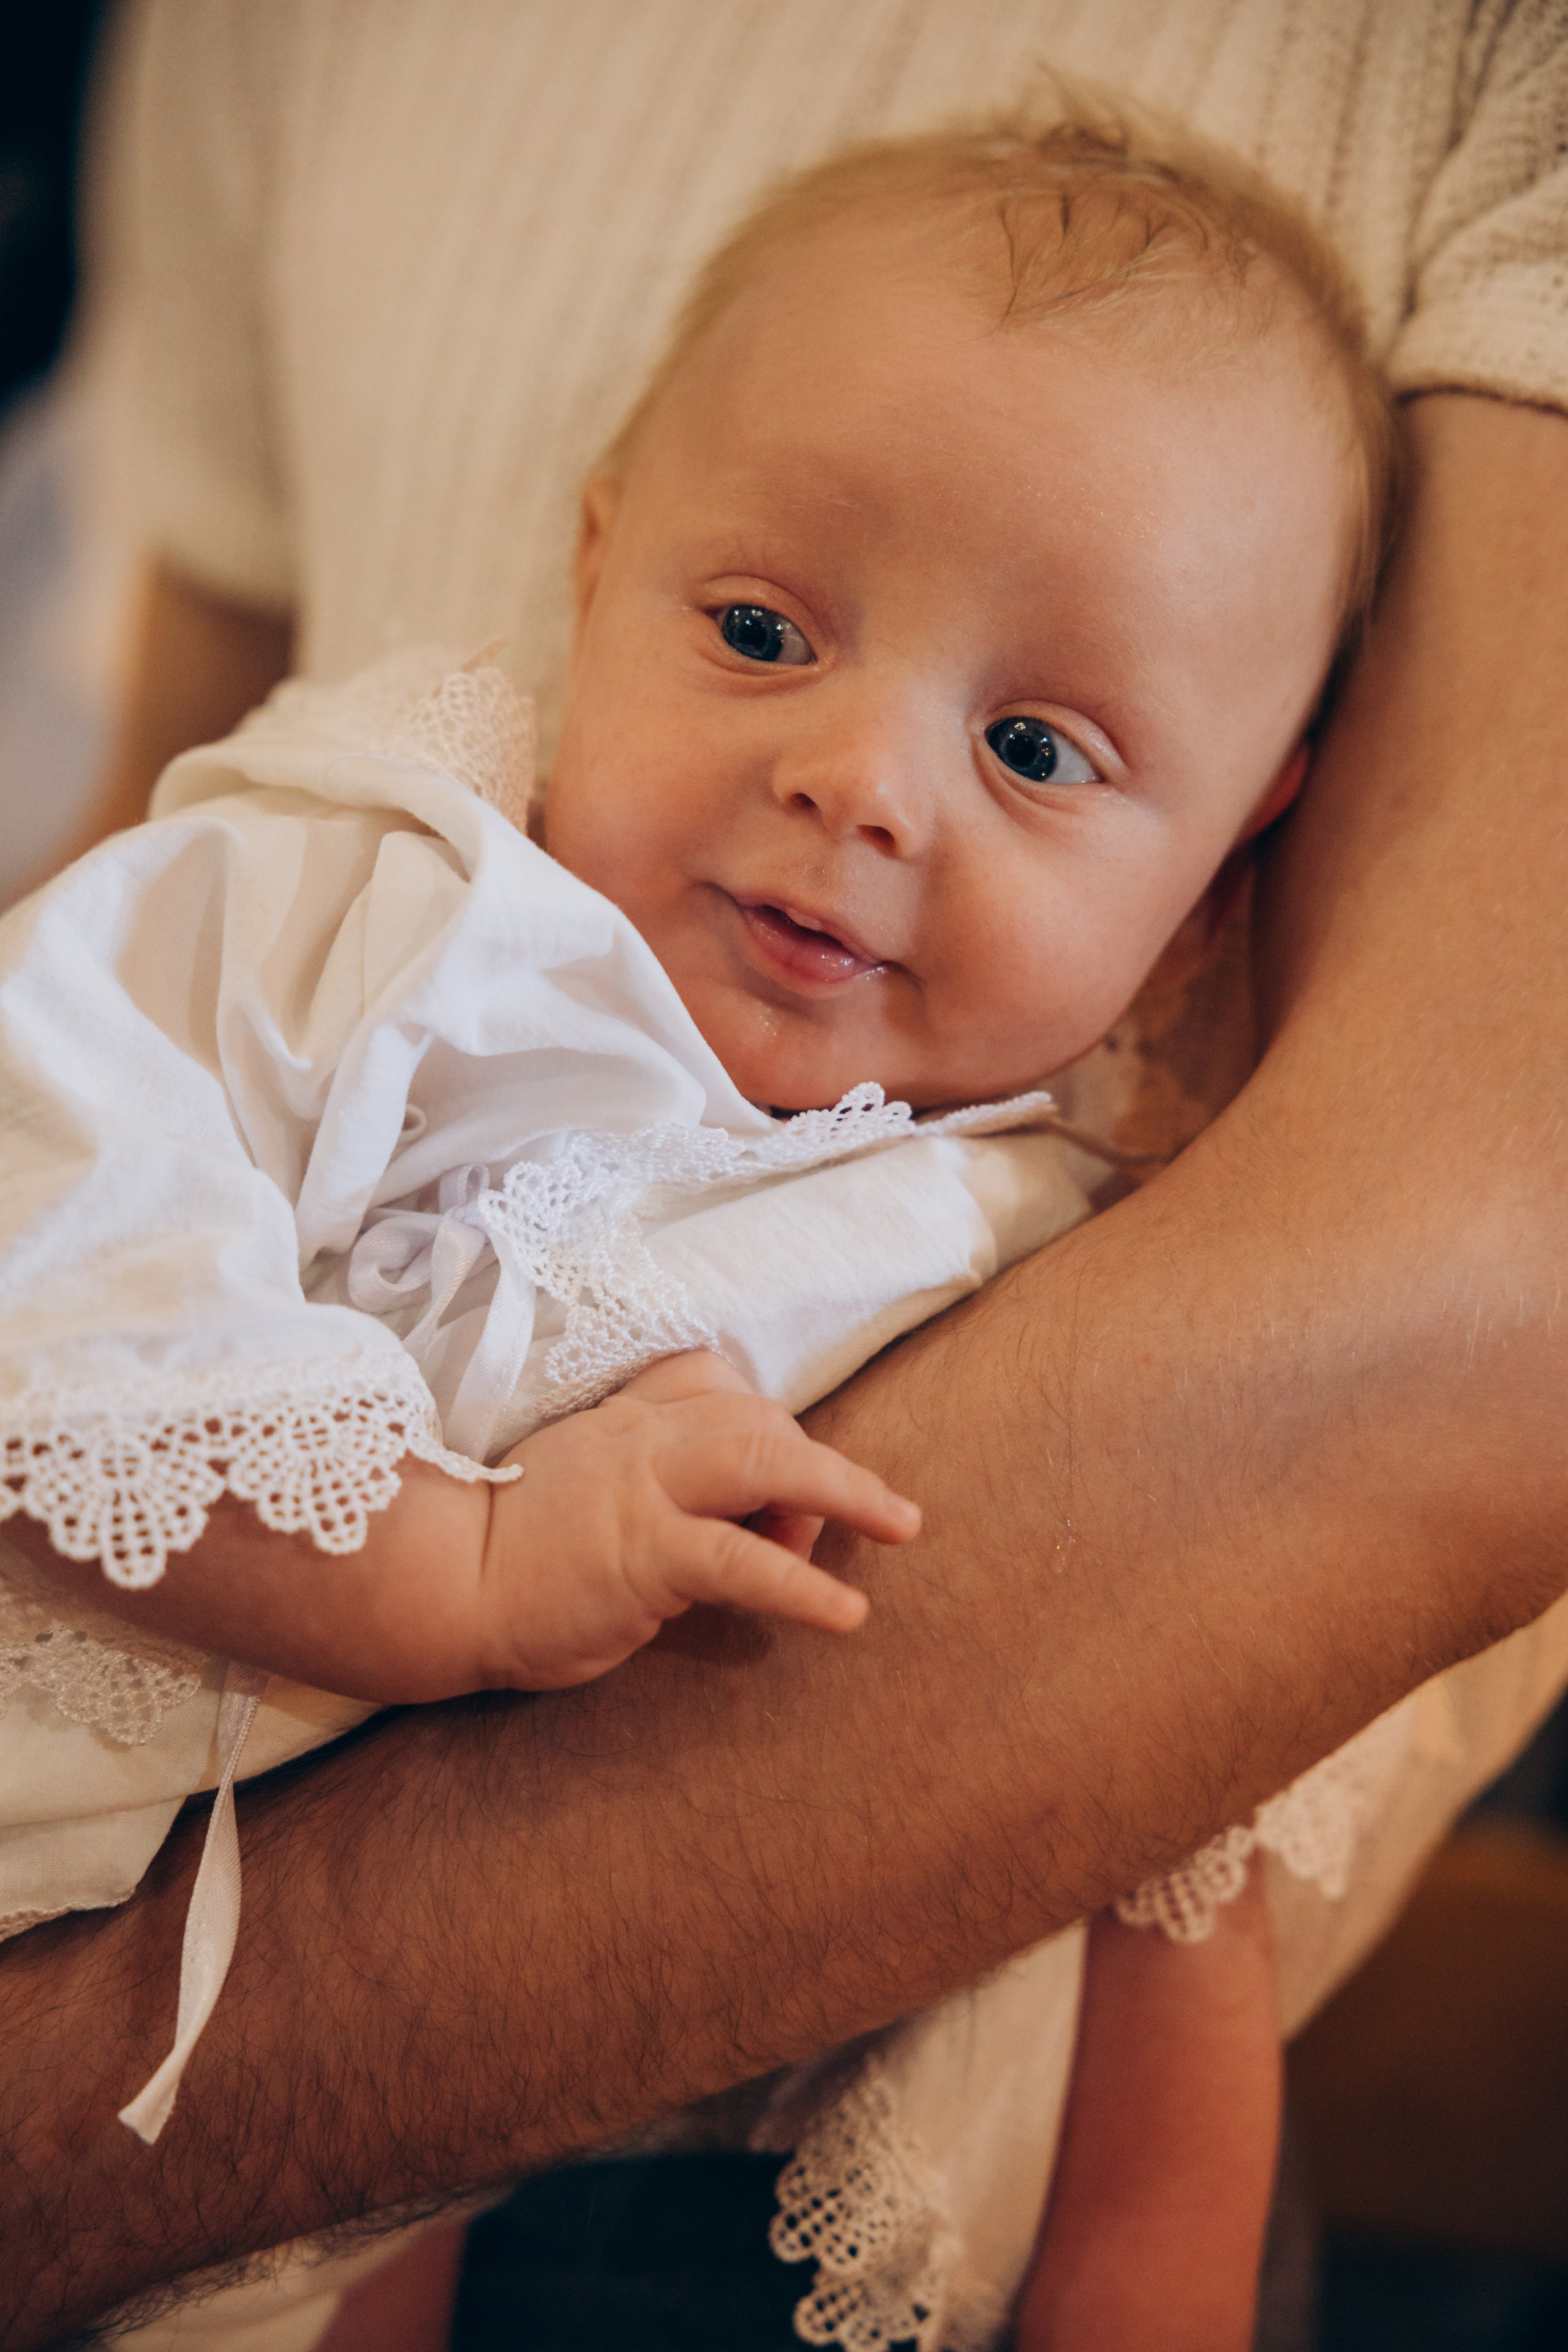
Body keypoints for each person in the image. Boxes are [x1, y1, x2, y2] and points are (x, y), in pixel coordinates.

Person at [4, 4, 1568, 2346]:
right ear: (597, 560)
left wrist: (1148, 2275)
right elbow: (68, 1198)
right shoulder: (390, 931)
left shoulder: (1069, 1255)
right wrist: (470, 1570)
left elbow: (1171, 1892)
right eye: (757, 633)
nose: (861, 780)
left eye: (1035, 747)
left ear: (1240, 849)